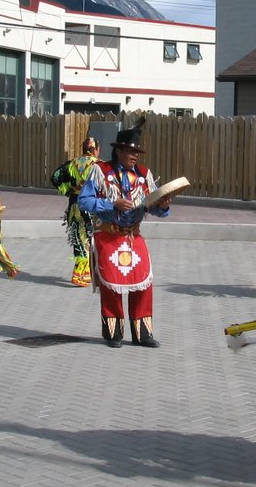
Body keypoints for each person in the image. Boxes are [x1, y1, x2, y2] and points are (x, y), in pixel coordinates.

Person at [77, 117, 172, 348]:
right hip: (108, 235)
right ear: (118, 150)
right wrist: (112, 205)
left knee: (144, 283)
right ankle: (113, 333)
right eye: (130, 151)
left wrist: (163, 205)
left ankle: (142, 334)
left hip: (133, 236)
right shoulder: (101, 171)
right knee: (111, 284)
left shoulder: (143, 175)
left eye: (137, 152)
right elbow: (84, 201)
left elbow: (155, 208)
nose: (135, 155)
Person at [56, 136, 101, 287]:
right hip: (91, 207)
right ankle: (79, 273)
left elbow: (55, 178)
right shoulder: (99, 165)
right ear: (95, 149)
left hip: (75, 205)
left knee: (79, 238)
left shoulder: (72, 164)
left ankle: (85, 273)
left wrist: (69, 189)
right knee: (89, 239)